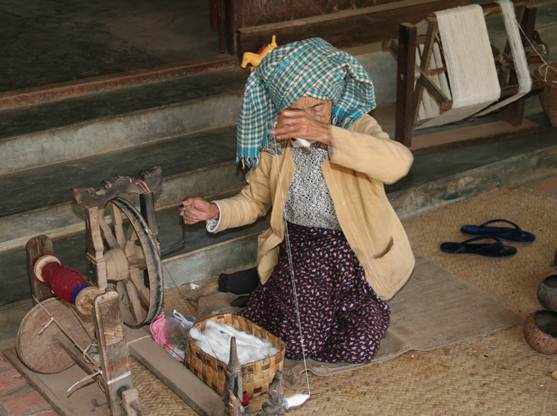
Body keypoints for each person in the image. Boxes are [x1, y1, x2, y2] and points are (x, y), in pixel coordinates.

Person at [180, 38, 414, 363]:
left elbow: (399, 161)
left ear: (332, 101)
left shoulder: (354, 126)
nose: (307, 120)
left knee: (354, 346)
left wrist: (329, 135)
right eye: (295, 111)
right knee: (293, 342)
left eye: (318, 108)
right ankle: (267, 286)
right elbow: (254, 201)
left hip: (352, 255)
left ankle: (276, 289)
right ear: (280, 109)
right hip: (300, 252)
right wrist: (215, 210)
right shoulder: (276, 145)